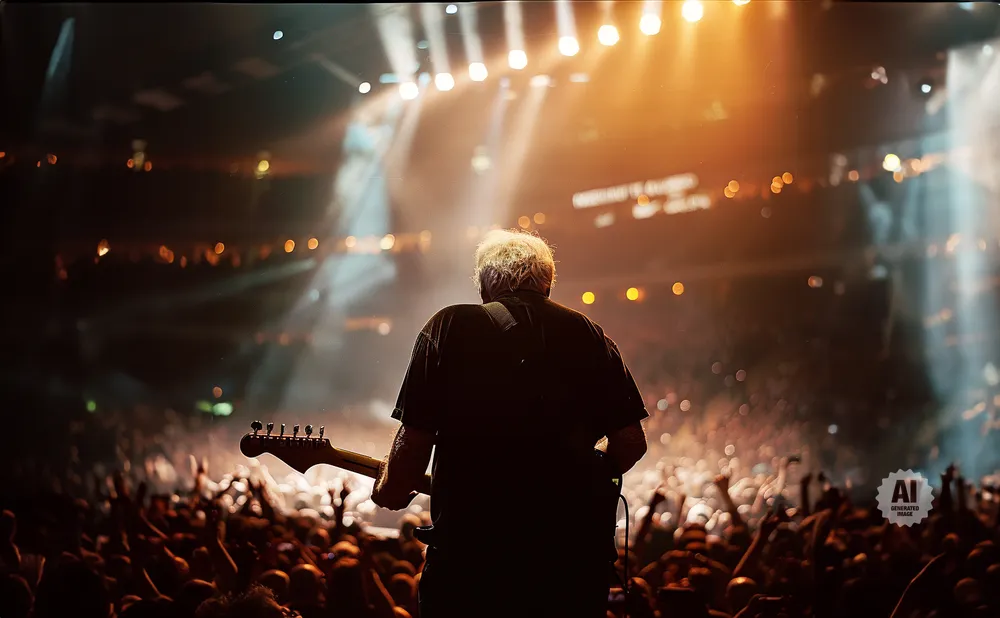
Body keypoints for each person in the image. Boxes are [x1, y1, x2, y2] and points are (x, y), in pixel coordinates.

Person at [372, 229, 649, 618]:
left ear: (487, 283)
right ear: (547, 283)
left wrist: (390, 490)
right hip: (567, 566)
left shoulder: (450, 326)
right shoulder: (589, 334)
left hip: (472, 564)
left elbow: (413, 444)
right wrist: (581, 476)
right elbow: (631, 442)